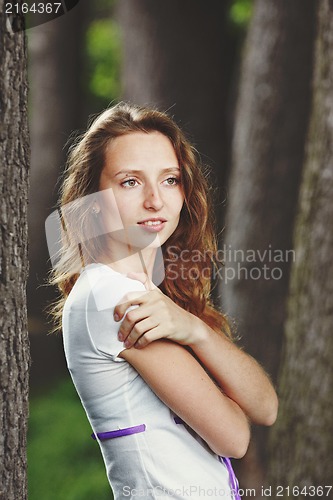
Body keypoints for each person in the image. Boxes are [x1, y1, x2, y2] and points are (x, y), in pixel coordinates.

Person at [48, 102, 278, 499]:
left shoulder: (152, 296)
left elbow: (266, 408)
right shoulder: (111, 297)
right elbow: (235, 437)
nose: (156, 201)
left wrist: (197, 332)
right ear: (94, 199)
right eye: (130, 182)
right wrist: (215, 374)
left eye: (169, 179)